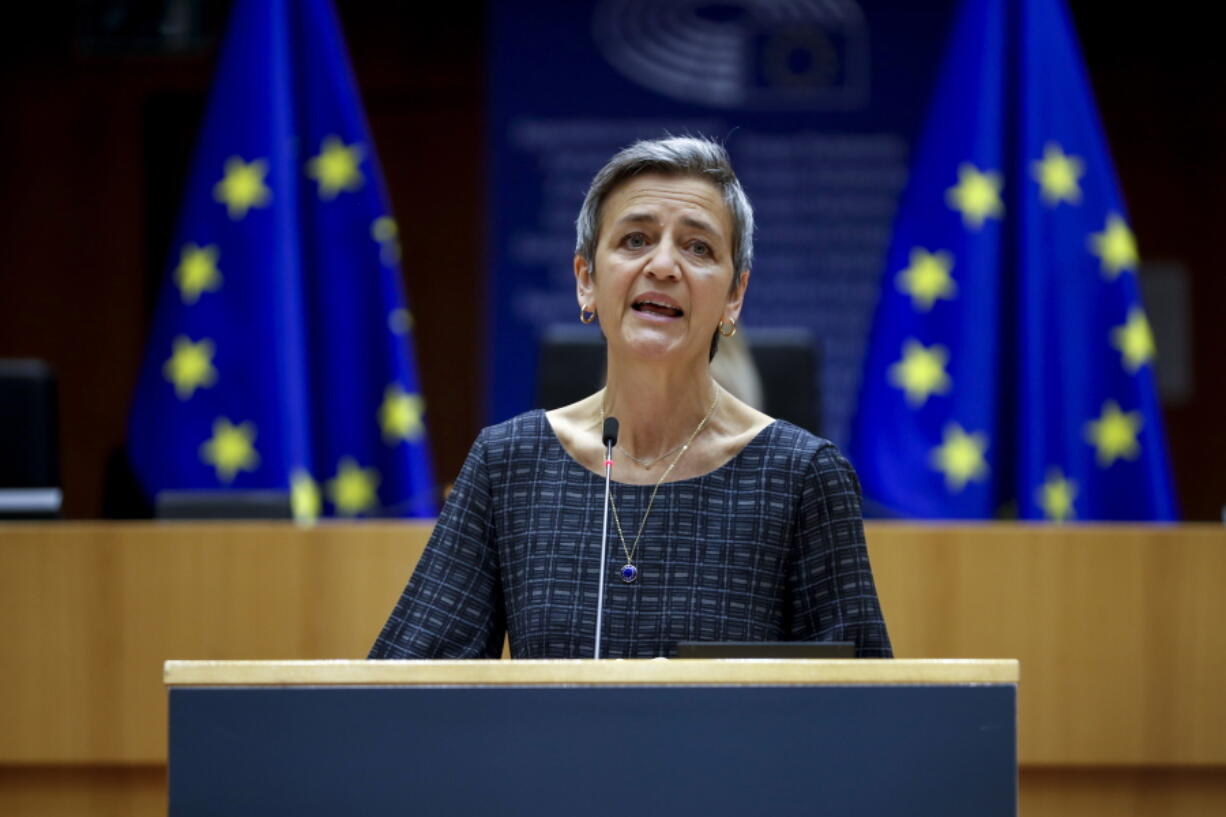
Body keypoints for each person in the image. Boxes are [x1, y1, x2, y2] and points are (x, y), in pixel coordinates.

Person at [370, 136, 891, 659]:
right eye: (636, 240)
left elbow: (859, 706)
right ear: (586, 281)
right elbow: (408, 683)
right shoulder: (510, 464)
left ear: (734, 297)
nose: (663, 265)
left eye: (698, 247)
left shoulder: (802, 477)